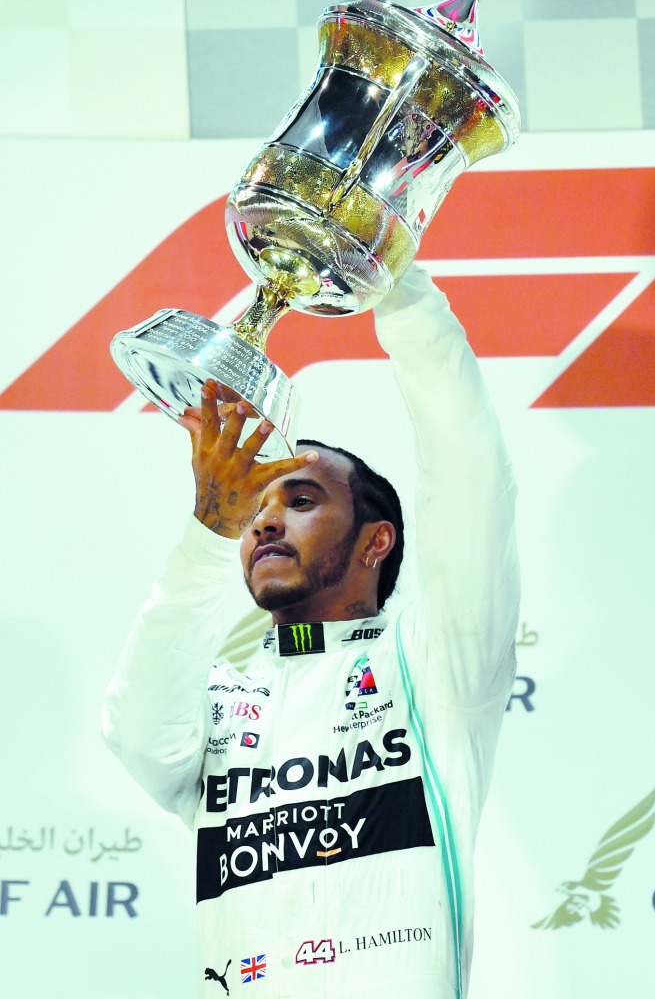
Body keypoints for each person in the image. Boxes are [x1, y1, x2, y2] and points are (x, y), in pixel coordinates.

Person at [102, 263, 520, 999]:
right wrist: (207, 532)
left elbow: (468, 474)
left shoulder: (434, 668)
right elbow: (136, 733)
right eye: (250, 509)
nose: (263, 520)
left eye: (300, 499)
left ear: (374, 542)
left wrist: (386, 274)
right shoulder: (224, 703)